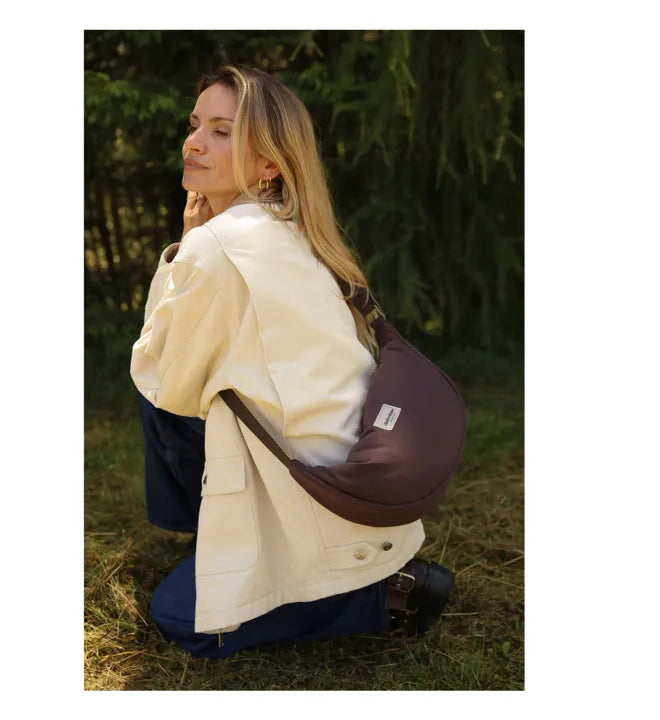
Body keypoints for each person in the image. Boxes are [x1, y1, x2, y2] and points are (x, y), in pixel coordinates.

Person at [130, 64, 453, 659]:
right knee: (176, 405)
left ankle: (385, 594)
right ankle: (214, 542)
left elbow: (160, 377)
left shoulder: (219, 246)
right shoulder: (290, 228)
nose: (194, 142)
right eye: (196, 124)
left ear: (269, 163)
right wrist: (193, 239)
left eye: (222, 131)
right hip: (356, 477)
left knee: (181, 619)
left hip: (319, 496)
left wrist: (186, 247)